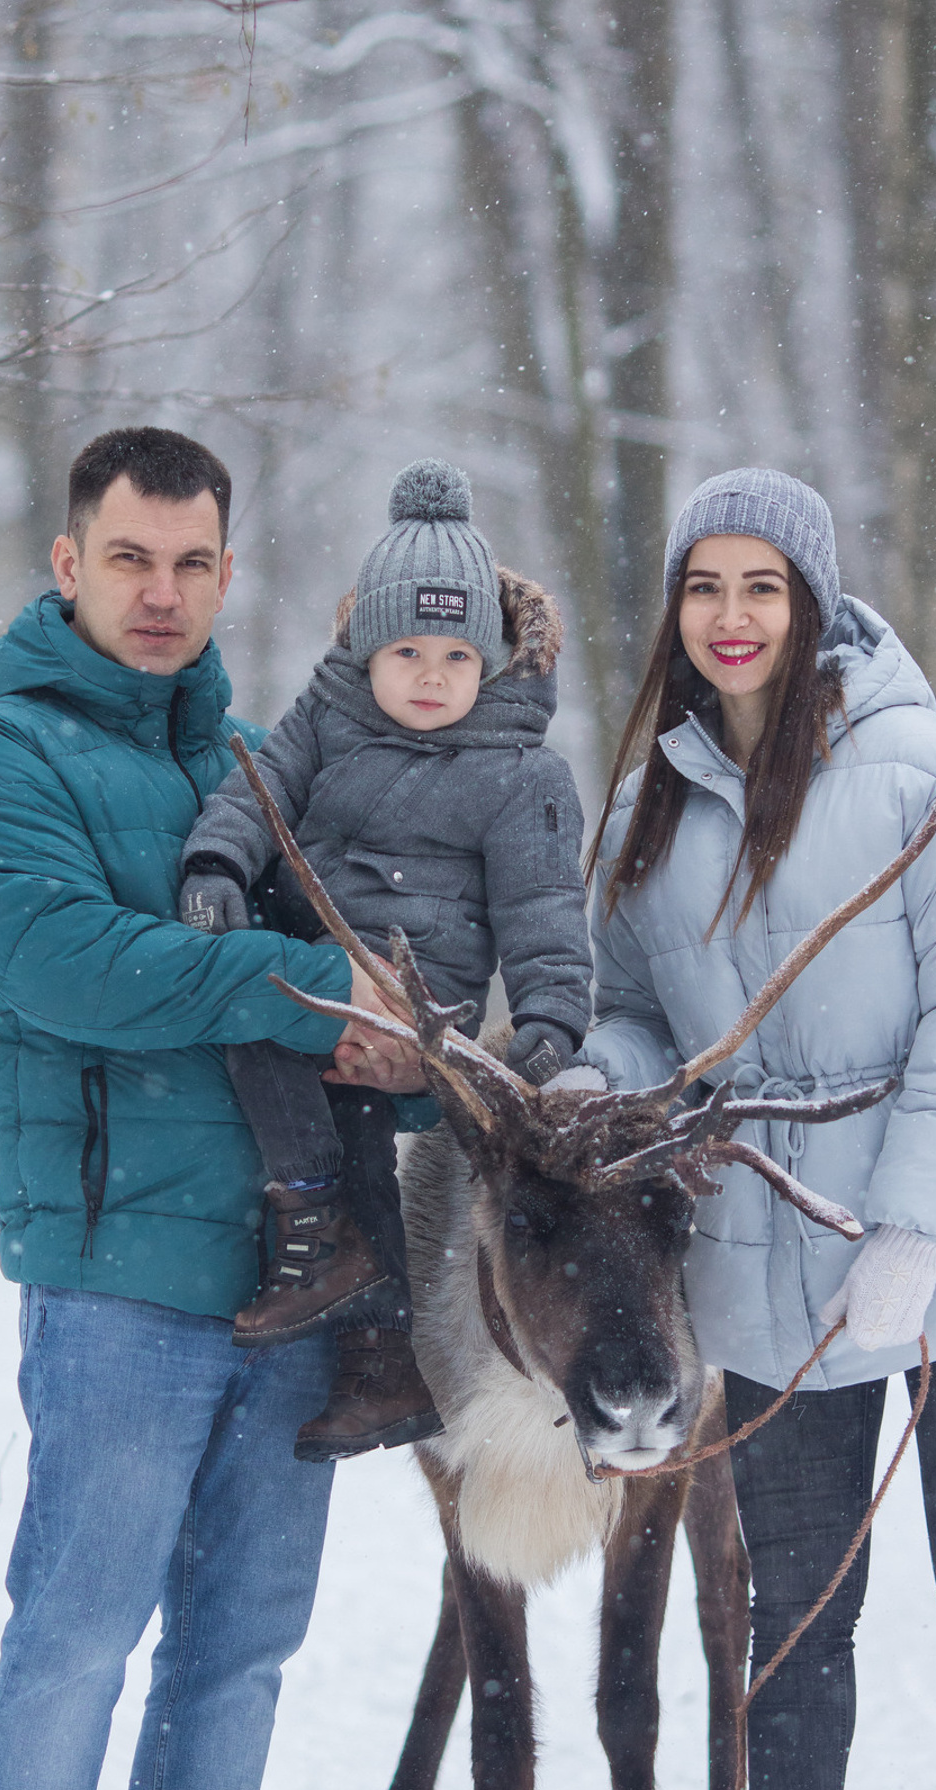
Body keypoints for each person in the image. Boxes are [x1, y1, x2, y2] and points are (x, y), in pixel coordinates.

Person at [577, 468, 936, 1790]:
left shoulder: (929, 770)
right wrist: (598, 1080)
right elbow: (638, 1015)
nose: (731, 617)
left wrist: (915, 1226)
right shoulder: (647, 811)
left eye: (762, 587)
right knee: (797, 1613)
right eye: (704, 587)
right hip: (765, 1261)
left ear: (811, 603)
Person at [0, 426, 418, 1790]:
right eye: (130, 558)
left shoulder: (258, 765)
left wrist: (408, 1042)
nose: (161, 592)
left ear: (226, 573)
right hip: (118, 1285)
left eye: (192, 563)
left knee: (241, 1650)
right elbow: (71, 966)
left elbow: (368, 965)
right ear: (67, 562)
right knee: (78, 1634)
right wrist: (306, 990)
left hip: (298, 1275)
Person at [179, 458, 591, 1463]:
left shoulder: (521, 772)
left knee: (315, 1059)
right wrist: (215, 864)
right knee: (280, 1035)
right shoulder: (325, 718)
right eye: (407, 650)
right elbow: (254, 793)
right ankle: (381, 1355)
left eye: (456, 654)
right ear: (366, 647)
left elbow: (544, 911)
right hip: (319, 955)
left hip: (419, 994)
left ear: (490, 660)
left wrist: (548, 1025)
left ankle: (317, 1221)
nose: (431, 676)